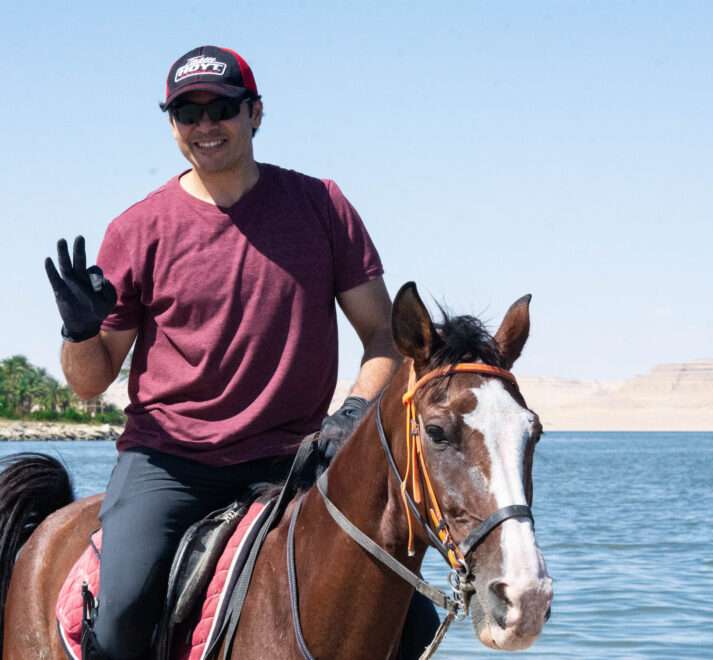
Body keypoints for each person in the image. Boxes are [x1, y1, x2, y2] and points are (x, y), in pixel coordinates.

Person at [45, 45, 437, 660]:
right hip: (169, 463)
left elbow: (385, 338)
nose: (205, 126)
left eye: (221, 108)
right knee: (119, 619)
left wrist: (351, 415)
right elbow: (91, 382)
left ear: (255, 113)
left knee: (413, 618)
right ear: (171, 124)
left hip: (294, 460)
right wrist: (77, 332)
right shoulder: (137, 230)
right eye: (187, 113)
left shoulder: (322, 207)